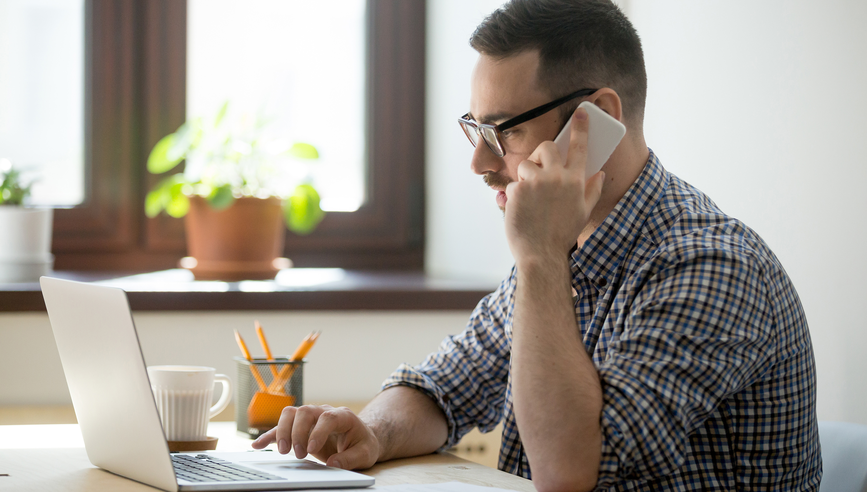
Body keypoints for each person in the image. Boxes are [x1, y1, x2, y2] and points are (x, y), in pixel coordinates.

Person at [252, 0, 822, 490]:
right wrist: (370, 432)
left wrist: (539, 257)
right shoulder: (564, 251)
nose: (479, 162)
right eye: (476, 130)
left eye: (506, 131)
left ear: (596, 121)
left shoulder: (710, 266)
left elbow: (570, 472)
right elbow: (441, 389)